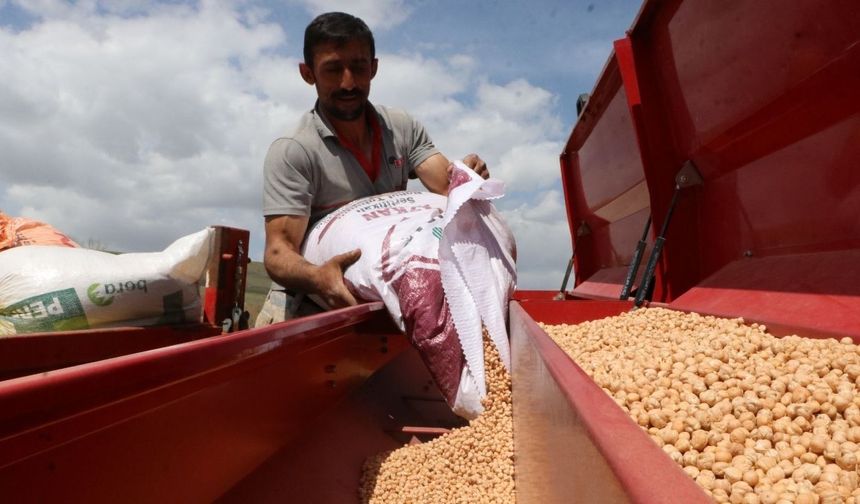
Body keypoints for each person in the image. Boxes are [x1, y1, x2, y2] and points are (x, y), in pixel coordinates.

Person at [256, 11, 489, 327]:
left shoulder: (401, 128)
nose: (348, 83)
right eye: (333, 69)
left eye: (359, 67)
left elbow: (446, 185)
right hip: (307, 305)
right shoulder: (294, 151)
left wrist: (467, 178)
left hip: (381, 303)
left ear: (374, 68)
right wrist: (318, 277)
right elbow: (278, 252)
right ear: (307, 74)